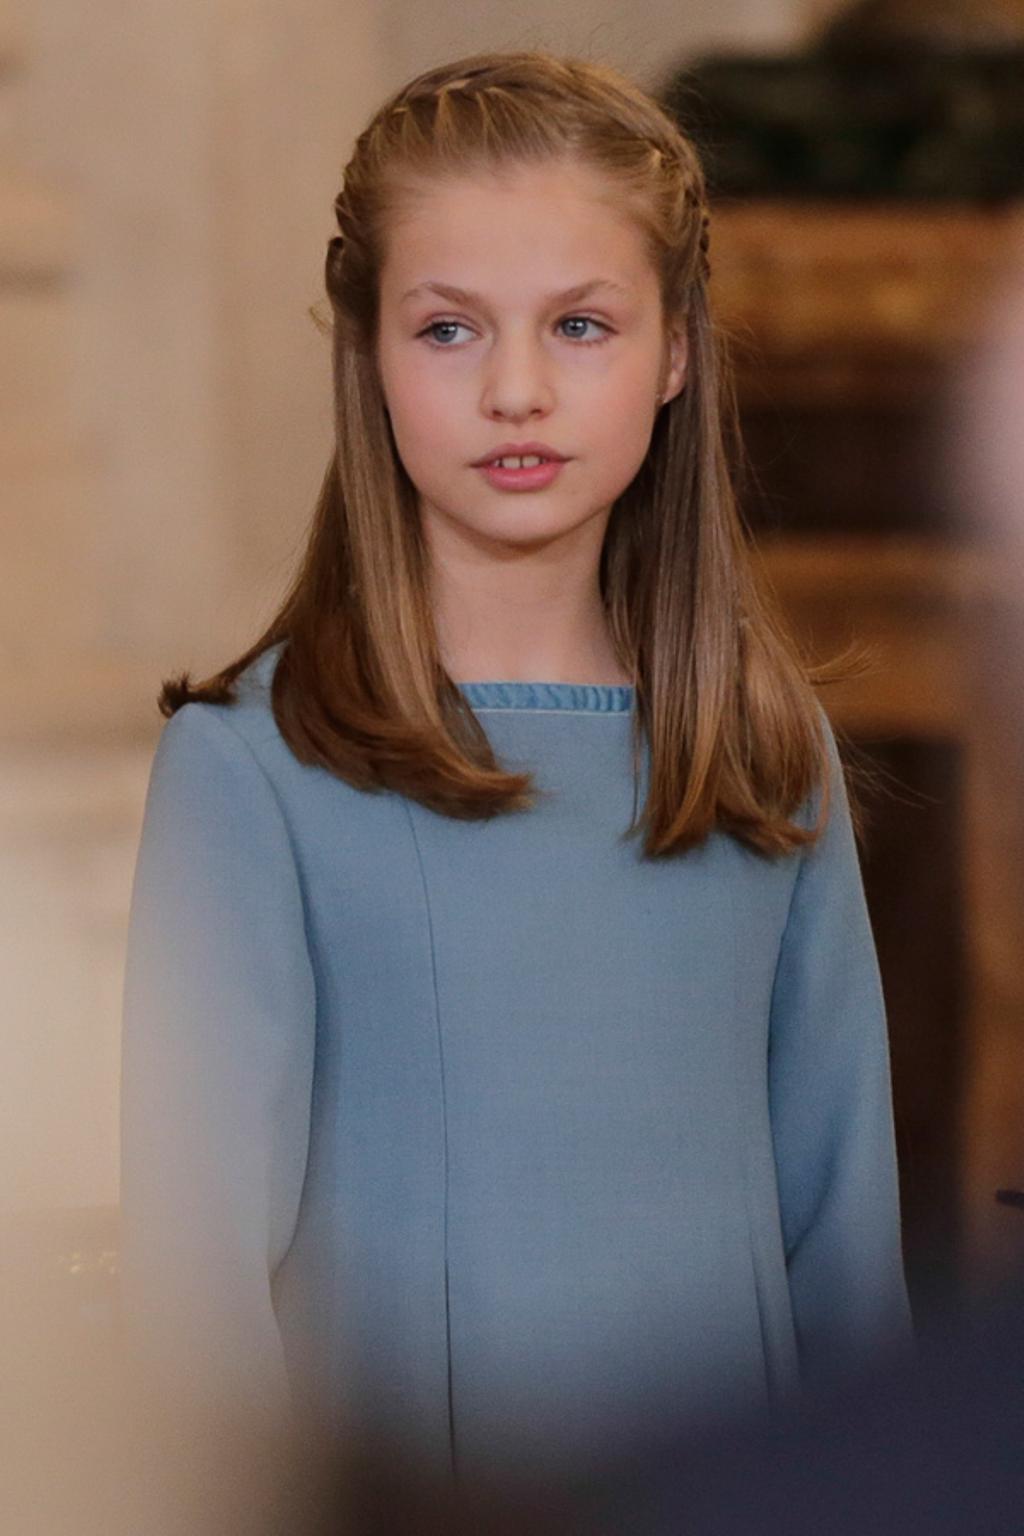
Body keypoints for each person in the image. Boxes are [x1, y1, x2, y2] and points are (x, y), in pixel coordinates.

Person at [117, 49, 911, 1509]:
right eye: (449, 329)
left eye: (583, 325)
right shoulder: (250, 771)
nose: (519, 389)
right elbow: (197, 1305)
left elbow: (847, 1262)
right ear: (362, 347)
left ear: (677, 350)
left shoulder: (765, 756)